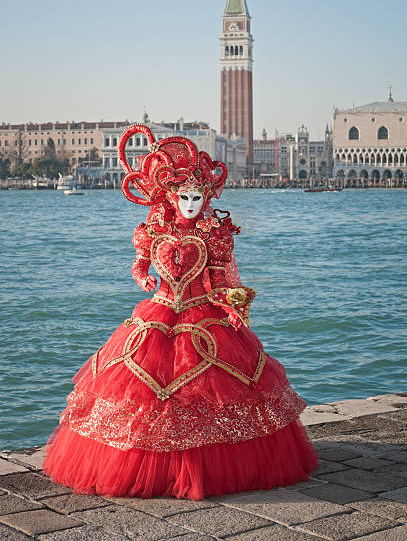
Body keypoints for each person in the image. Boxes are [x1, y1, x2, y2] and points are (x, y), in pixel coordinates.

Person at [43, 124, 317, 500]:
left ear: (206, 197)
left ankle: (211, 464)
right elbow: (140, 266)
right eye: (184, 197)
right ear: (171, 197)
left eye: (197, 197)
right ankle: (151, 466)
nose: (191, 204)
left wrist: (231, 302)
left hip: (202, 316)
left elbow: (218, 280)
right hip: (158, 312)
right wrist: (143, 280)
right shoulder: (153, 231)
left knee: (210, 391)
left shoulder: (213, 234)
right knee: (146, 389)